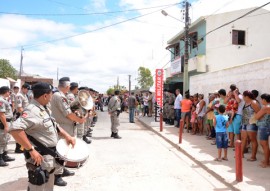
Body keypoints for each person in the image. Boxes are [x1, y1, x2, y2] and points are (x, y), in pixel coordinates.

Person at [9, 82, 76, 191]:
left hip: (49, 158)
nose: (52, 97)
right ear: (45, 95)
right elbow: (15, 129)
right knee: (37, 187)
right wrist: (31, 150)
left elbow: (55, 125)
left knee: (48, 187)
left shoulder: (44, 108)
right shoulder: (32, 110)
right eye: (51, 94)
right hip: (39, 158)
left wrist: (67, 136)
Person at [50, 77, 86, 186]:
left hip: (65, 126)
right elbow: (68, 114)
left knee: (66, 150)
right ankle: (57, 176)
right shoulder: (60, 96)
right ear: (67, 86)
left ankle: (62, 169)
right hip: (64, 127)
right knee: (61, 151)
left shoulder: (59, 95)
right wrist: (80, 120)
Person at [241, 91, 260, 161]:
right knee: (243, 138)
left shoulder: (253, 102)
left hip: (251, 123)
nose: (243, 97)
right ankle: (241, 154)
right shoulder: (246, 103)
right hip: (245, 123)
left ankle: (253, 156)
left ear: (247, 96)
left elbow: (259, 112)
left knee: (253, 139)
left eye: (243, 96)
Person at [0, 86, 15, 167]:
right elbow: (1, 114)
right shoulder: (1, 100)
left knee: (5, 140)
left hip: (8, 122)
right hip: (3, 123)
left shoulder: (3, 100)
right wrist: (6, 125)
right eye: (9, 92)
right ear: (6, 92)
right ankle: (0, 158)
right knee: (1, 141)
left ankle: (4, 155)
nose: (9, 93)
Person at [255, 93, 270, 168]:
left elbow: (257, 116)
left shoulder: (265, 107)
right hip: (267, 126)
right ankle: (267, 160)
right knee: (265, 144)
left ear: (264, 100)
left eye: (262, 99)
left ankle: (266, 162)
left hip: (264, 126)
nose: (261, 101)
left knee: (264, 144)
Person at [14, 83, 31, 153]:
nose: (28, 91)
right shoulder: (19, 95)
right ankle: (18, 148)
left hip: (23, 115)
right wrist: (24, 116)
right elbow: (19, 107)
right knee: (20, 131)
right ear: (23, 88)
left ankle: (21, 147)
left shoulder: (24, 95)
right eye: (27, 89)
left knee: (24, 132)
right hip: (20, 115)